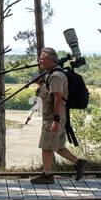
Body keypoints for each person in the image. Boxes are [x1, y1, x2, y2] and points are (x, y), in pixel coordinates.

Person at [30, 47, 85, 184]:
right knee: (59, 146)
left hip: (53, 117)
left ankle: (47, 175)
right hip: (57, 116)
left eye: (42, 59)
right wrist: (42, 83)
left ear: (50, 60)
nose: (39, 61)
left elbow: (58, 98)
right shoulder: (52, 75)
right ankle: (78, 163)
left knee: (46, 146)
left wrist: (56, 120)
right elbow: (50, 92)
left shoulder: (56, 76)